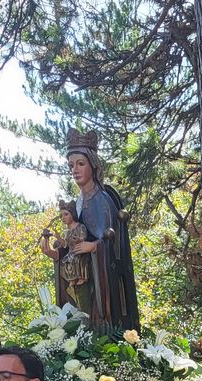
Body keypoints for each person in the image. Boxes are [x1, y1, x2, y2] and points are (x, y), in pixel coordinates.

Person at [62, 128, 139, 335]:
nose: (75, 170)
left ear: (93, 165)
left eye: (80, 164)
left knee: (97, 321)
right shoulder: (77, 202)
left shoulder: (101, 199)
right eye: (71, 166)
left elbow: (109, 239)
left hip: (100, 276)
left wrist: (93, 246)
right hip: (79, 274)